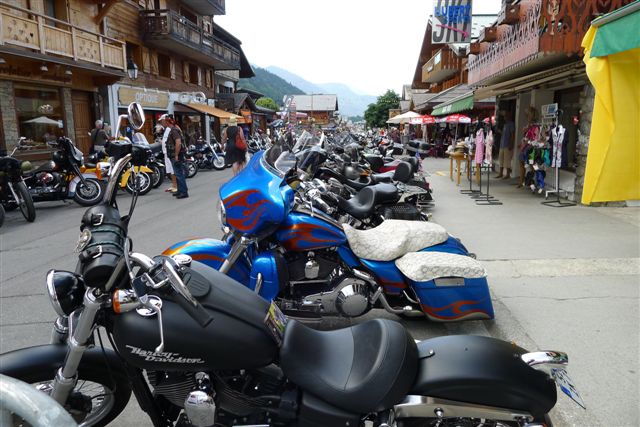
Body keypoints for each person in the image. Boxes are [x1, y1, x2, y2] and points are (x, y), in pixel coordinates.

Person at [159, 114, 188, 199]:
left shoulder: (174, 130)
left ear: (167, 121)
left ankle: (184, 192)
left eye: (163, 121)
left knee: (179, 174)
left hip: (176, 156)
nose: (162, 123)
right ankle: (180, 190)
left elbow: (178, 142)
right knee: (177, 173)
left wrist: (176, 155)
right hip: (173, 155)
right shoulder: (172, 129)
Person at [495, 111, 515, 179]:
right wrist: (499, 131)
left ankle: (507, 174)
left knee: (507, 160)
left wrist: (511, 144)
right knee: (501, 159)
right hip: (502, 144)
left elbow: (512, 135)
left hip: (507, 145)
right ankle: (501, 173)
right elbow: (504, 134)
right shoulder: (505, 124)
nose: (504, 117)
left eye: (506, 116)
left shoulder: (511, 124)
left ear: (509, 116)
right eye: (504, 116)